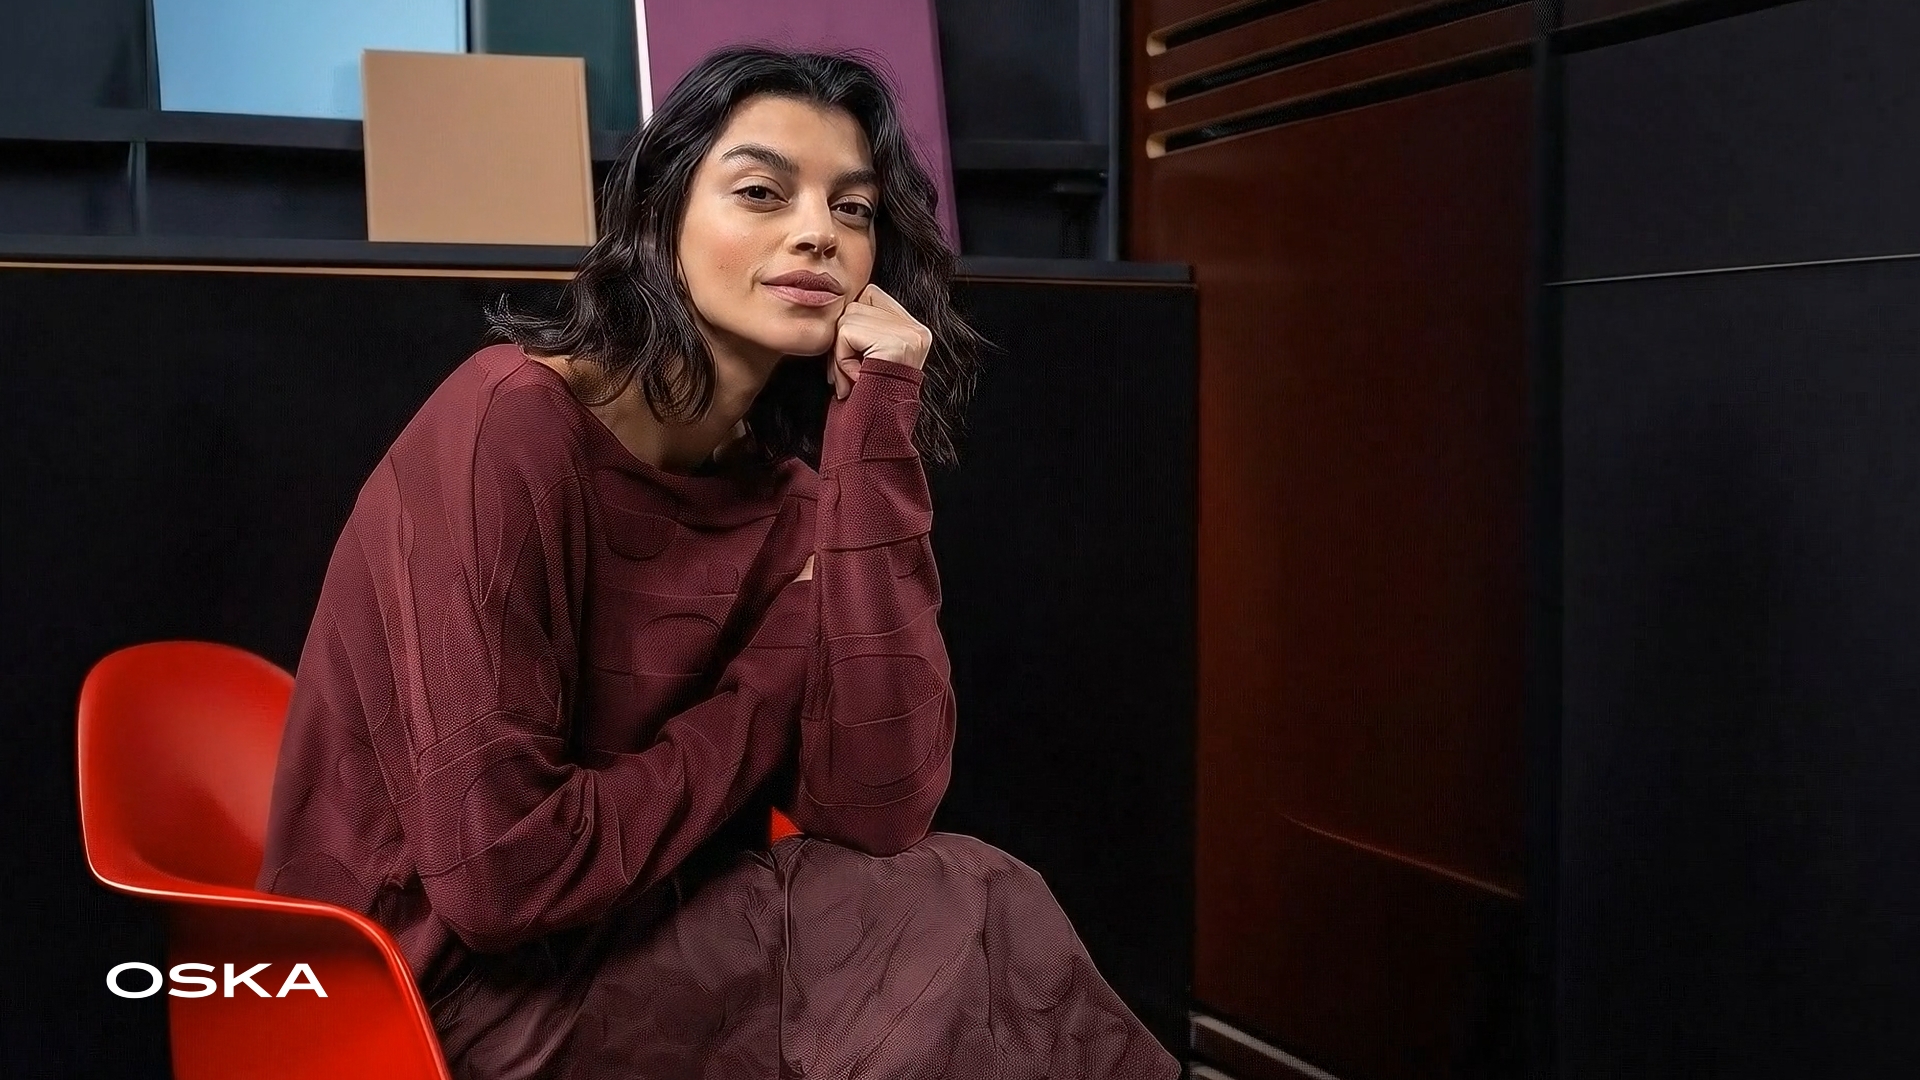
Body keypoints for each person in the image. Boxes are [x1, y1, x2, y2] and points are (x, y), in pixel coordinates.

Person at [256, 45, 1181, 1080]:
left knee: (944, 900)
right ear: (658, 217)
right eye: (760, 191)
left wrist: (874, 430)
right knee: (962, 910)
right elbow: (498, 876)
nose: (815, 234)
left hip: (647, 943)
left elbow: (877, 814)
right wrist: (785, 652)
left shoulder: (785, 505)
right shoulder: (509, 426)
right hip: (433, 991)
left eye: (854, 210)